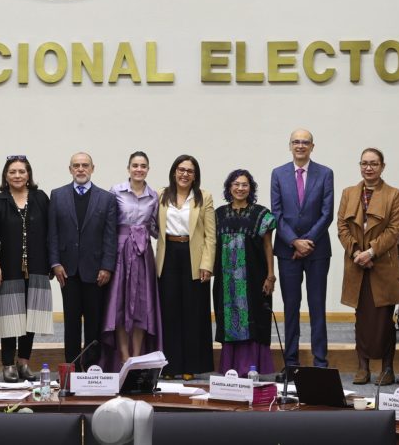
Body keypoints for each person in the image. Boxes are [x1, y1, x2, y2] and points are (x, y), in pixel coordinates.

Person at [337, 147, 399, 385]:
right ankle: (362, 367)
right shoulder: (348, 193)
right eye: (364, 163)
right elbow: (342, 228)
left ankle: (387, 369)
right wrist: (356, 252)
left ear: (382, 166)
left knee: (384, 320)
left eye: (374, 163)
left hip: (381, 265)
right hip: (356, 265)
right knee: (361, 319)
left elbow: (393, 230)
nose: (368, 167)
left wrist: (371, 251)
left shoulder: (394, 194)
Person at [270, 128, 334, 376]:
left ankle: (320, 363)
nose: (300, 146)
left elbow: (326, 213)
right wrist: (294, 242)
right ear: (290, 145)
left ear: (312, 146)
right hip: (287, 252)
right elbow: (276, 213)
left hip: (317, 251)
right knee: (291, 307)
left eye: (305, 142)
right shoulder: (278, 173)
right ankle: (292, 362)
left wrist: (306, 242)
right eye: (296, 142)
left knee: (317, 306)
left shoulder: (325, 173)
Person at [0, 156, 53, 381]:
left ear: (29, 174)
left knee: (30, 317)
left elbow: (51, 232)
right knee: (9, 318)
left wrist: (52, 262)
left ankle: (23, 363)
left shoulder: (41, 198)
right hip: (7, 268)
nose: (17, 175)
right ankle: (8, 366)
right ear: (6, 175)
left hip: (37, 267)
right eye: (12, 171)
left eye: (21, 171)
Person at [48, 152, 119, 370]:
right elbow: (53, 233)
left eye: (85, 165)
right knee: (70, 322)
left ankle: (91, 369)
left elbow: (110, 236)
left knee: (93, 323)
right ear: (70, 169)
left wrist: (107, 266)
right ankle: (71, 368)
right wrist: (55, 263)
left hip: (96, 271)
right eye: (76, 165)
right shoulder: (57, 195)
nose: (80, 169)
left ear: (92, 168)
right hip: (67, 270)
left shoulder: (106, 198)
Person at [155, 154, 216, 379]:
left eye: (190, 171)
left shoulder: (204, 197)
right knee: (169, 311)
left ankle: (191, 365)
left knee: (193, 312)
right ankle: (170, 366)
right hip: (168, 255)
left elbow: (210, 235)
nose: (184, 174)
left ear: (195, 175)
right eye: (181, 169)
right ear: (174, 172)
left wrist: (207, 264)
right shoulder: (161, 195)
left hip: (194, 257)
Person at [101, 151, 162, 370]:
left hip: (143, 254)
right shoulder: (115, 191)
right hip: (120, 252)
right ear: (128, 168)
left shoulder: (154, 196)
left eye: (143, 166)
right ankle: (124, 356)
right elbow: (108, 224)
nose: (139, 169)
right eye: (135, 165)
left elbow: (155, 228)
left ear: (148, 169)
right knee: (119, 304)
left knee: (141, 306)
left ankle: (137, 357)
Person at [213, 169, 277, 376]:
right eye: (236, 184)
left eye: (244, 185)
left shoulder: (261, 214)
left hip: (254, 277)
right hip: (226, 280)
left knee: (255, 318)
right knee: (228, 318)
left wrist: (270, 275)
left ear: (251, 189)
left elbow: (268, 246)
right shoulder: (218, 214)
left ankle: (252, 367)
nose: (240, 188)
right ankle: (231, 366)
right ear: (229, 187)